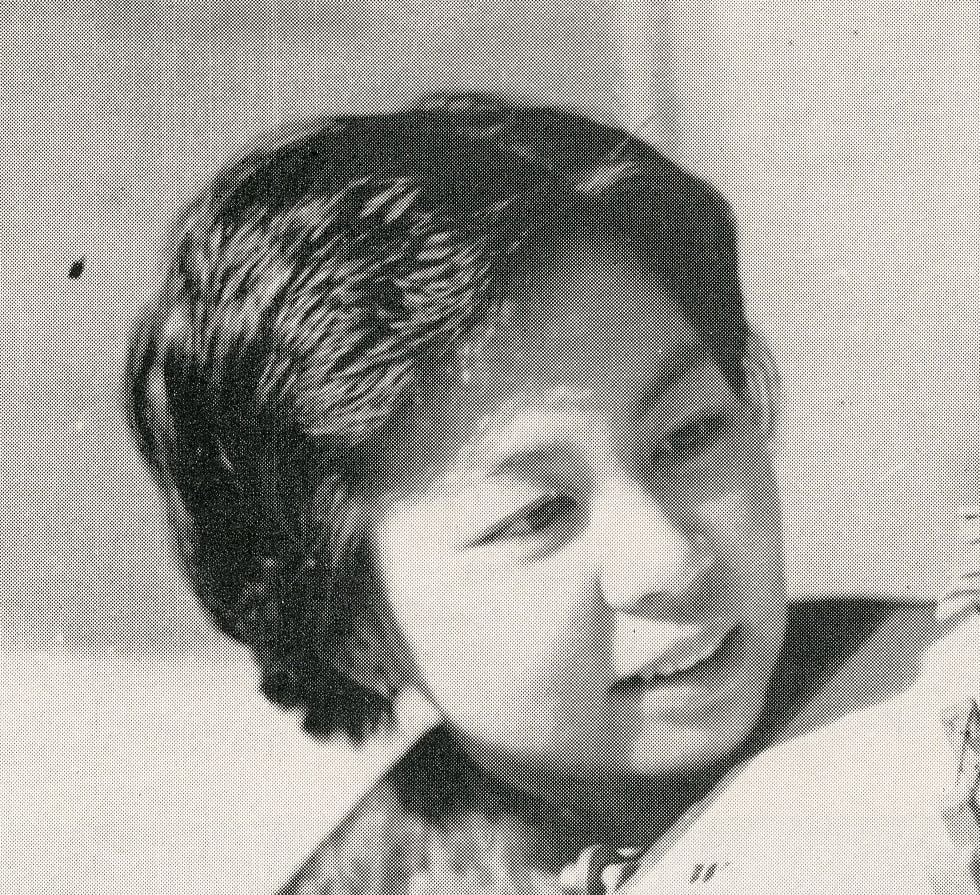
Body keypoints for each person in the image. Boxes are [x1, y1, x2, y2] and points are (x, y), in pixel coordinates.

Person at [123, 93, 978, 894]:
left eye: (689, 436)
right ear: (355, 630)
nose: (672, 559)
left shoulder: (945, 713)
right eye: (537, 513)